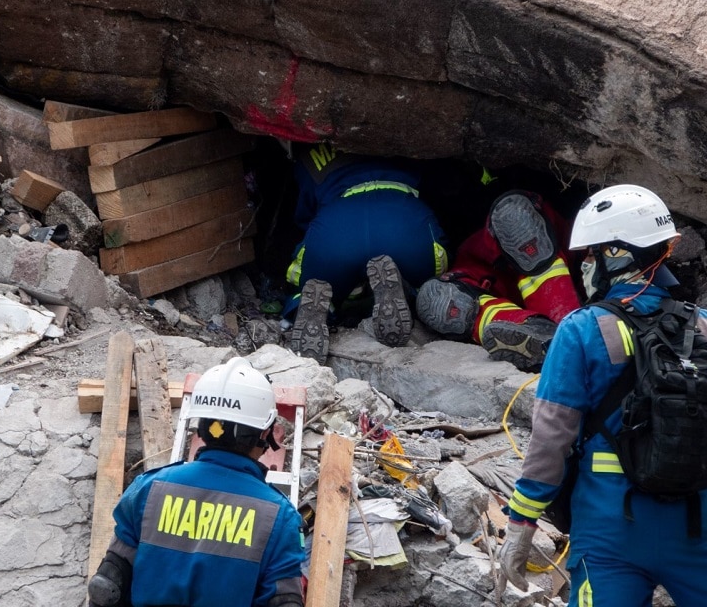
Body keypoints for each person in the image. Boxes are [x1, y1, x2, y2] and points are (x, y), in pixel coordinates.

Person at [497, 184, 707, 607]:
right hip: (696, 528)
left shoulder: (580, 330)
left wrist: (521, 523)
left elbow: (551, 438)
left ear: (616, 255)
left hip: (610, 533)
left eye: (591, 253)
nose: (585, 264)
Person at [88, 358, 306, 607]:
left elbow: (106, 587)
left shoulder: (147, 490)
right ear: (265, 433)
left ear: (201, 427)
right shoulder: (280, 517)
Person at [283, 141, 448, 362]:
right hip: (402, 221)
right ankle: (409, 293)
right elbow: (444, 189)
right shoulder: (409, 136)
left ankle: (309, 305)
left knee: (304, 276)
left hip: (337, 228)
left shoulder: (308, 151)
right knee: (435, 272)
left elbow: (304, 215)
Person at [414, 190, 582, 372]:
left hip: (558, 250)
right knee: (438, 302)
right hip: (492, 268)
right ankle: (542, 336)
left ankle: (565, 336)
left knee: (516, 220)